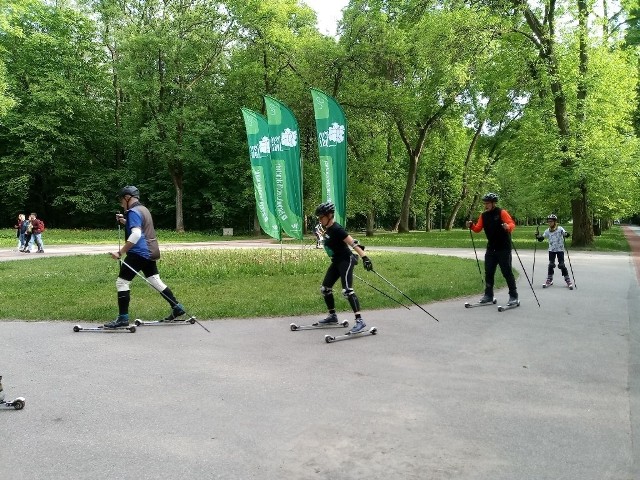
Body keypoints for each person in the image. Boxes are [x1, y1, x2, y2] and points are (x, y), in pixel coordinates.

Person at [106, 186, 186, 328]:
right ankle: (177, 307)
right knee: (155, 280)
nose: (121, 203)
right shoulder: (143, 209)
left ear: (127, 197)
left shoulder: (133, 211)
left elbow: (136, 234)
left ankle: (123, 318)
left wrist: (120, 252)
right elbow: (139, 227)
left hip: (139, 252)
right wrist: (124, 222)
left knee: (122, 282)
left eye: (121, 200)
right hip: (151, 251)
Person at [315, 201, 373, 334]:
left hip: (346, 260)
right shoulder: (327, 229)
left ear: (329, 215)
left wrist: (365, 258)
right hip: (336, 261)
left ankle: (360, 321)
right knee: (325, 289)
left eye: (321, 217)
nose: (319, 219)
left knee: (347, 290)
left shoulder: (337, 229)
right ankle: (332, 316)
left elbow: (353, 243)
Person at [466, 192, 519, 305]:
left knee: (506, 272)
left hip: (504, 248)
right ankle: (488, 295)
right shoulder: (483, 215)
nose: (486, 205)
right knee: (489, 272)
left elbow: (512, 224)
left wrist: (507, 226)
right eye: (485, 203)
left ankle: (513, 296)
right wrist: (471, 225)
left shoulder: (501, 212)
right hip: (491, 248)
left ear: (493, 203)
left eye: (488, 203)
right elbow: (477, 229)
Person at [535, 214, 572, 288]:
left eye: (551, 221)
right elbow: (542, 238)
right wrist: (538, 236)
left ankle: (567, 280)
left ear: (555, 222)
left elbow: (565, 234)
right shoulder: (547, 231)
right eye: (548, 221)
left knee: (562, 265)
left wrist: (566, 234)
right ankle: (549, 279)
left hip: (560, 250)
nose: (549, 223)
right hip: (551, 250)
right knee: (551, 264)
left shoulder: (560, 229)